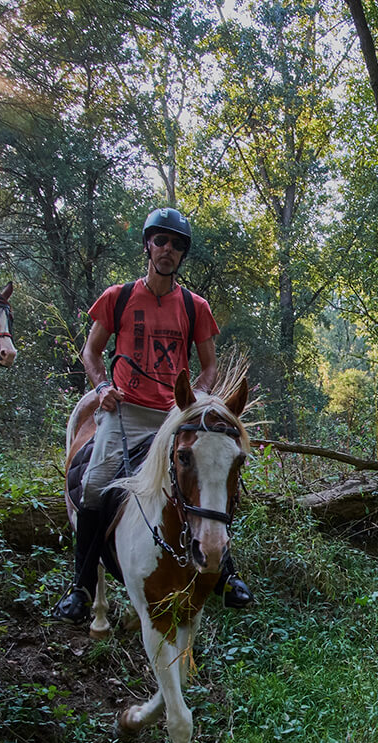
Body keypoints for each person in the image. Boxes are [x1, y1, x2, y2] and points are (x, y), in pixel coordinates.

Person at [51, 207, 252, 624]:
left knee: (211, 478)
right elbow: (91, 352)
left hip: (171, 418)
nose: (168, 249)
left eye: (177, 245)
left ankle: (227, 574)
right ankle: (82, 588)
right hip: (124, 412)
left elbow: (210, 366)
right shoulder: (117, 297)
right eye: (161, 240)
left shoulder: (195, 306)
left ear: (182, 255)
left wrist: (197, 400)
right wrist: (102, 387)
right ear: (148, 245)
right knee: (93, 486)